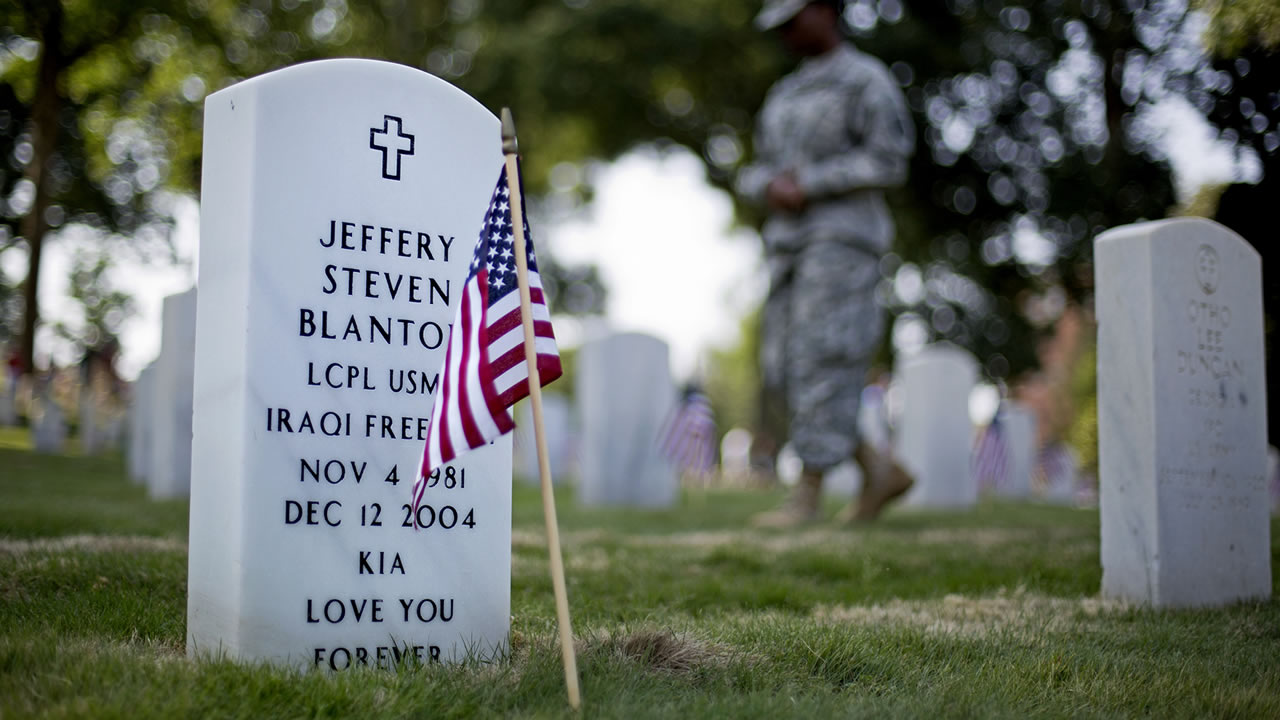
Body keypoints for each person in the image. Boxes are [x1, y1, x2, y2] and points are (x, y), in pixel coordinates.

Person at [736, 0, 916, 526]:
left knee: (822, 356)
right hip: (788, 244)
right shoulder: (785, 92)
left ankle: (807, 496)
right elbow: (761, 165)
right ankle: (879, 470)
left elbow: (889, 158)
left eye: (793, 21)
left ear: (824, 11)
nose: (786, 34)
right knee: (783, 364)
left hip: (840, 240)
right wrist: (767, 184)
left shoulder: (865, 80)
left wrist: (812, 183)